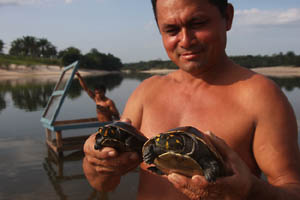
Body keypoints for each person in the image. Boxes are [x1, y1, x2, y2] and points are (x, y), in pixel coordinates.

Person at [82, 0, 300, 199]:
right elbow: (102, 184)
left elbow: (292, 189)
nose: (186, 40)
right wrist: (97, 162)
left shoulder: (261, 95)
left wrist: (251, 189)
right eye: (172, 30)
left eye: (198, 23)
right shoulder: (146, 92)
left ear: (228, 17)